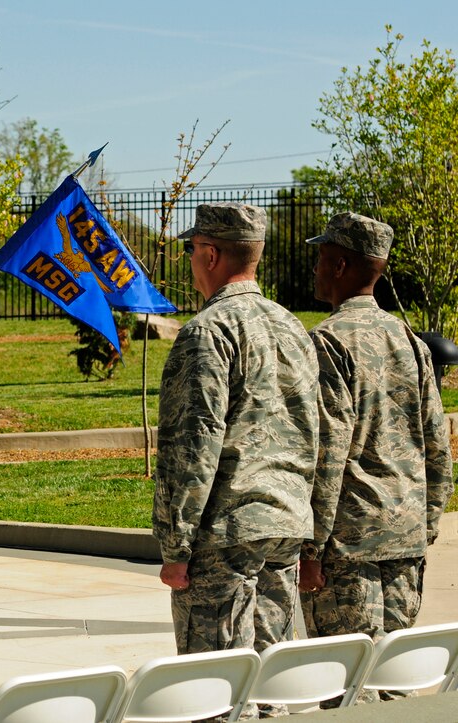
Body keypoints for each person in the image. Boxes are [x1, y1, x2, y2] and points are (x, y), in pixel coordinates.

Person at [152, 203, 318, 679]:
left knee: (217, 688)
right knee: (272, 683)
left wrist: (176, 546)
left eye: (191, 249)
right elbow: (315, 432)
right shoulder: (294, 328)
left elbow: (192, 447)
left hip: (225, 536)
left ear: (209, 255)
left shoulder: (208, 331)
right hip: (285, 524)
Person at [300, 213, 454, 704]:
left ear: (341, 265)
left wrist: (311, 548)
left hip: (349, 546)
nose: (317, 271)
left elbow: (328, 454)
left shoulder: (328, 341)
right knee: (394, 682)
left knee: (347, 689)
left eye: (323, 260)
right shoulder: (410, 342)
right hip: (404, 538)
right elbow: (438, 444)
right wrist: (425, 524)